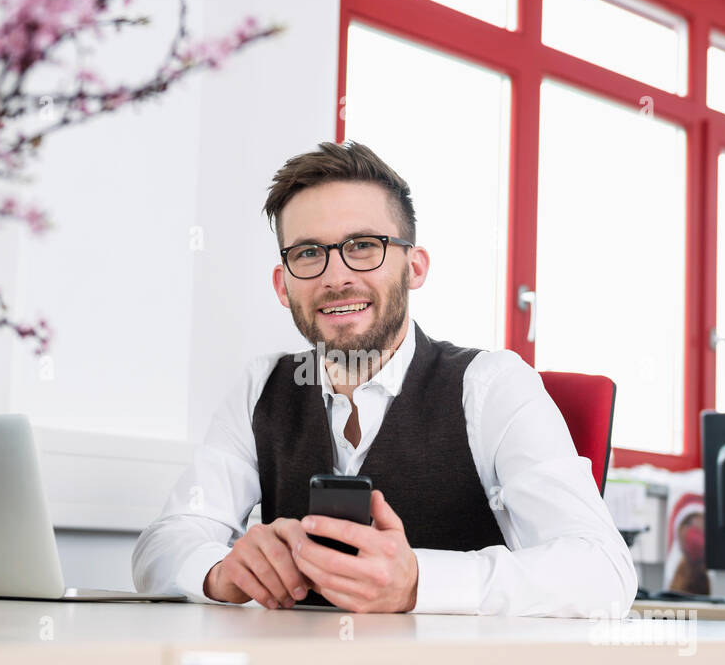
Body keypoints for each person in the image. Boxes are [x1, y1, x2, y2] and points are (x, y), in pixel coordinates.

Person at [133, 140, 636, 616]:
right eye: (308, 253)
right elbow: (162, 545)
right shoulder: (260, 388)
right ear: (282, 284)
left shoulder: (492, 385)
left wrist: (419, 581)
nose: (335, 276)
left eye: (363, 246)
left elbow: (605, 573)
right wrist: (219, 572)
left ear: (414, 267)